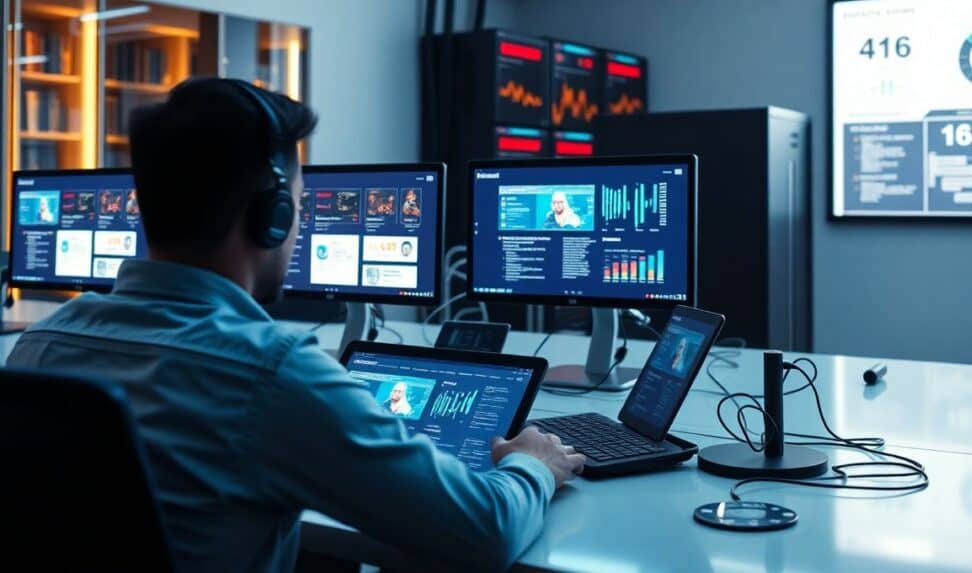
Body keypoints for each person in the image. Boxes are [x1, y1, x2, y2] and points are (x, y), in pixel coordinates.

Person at [7, 77, 583, 573]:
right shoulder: (271, 373)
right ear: (272, 217)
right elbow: (482, 532)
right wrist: (534, 464)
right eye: (300, 207)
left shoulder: (38, 346)